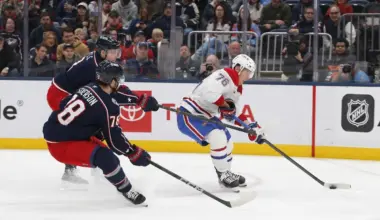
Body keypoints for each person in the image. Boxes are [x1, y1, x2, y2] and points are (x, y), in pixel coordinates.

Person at [46, 35, 159, 184]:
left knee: (95, 124)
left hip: (67, 91)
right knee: (88, 125)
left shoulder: (100, 61)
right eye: (113, 52)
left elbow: (112, 89)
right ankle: (74, 169)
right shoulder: (93, 68)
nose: (116, 55)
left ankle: (96, 163)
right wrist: (137, 99)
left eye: (117, 51)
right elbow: (110, 93)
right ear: (103, 52)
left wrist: (137, 99)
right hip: (60, 94)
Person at [43, 61, 150, 205]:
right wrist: (133, 153)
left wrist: (138, 100)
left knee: (100, 136)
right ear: (111, 81)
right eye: (118, 79)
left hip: (56, 129)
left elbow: (110, 97)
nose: (120, 83)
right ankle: (126, 189)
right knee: (106, 158)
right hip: (62, 144)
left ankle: (109, 176)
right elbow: (115, 141)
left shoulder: (89, 86)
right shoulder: (108, 107)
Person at [176, 54, 266, 189]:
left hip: (206, 115)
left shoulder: (236, 87)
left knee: (228, 141)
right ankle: (224, 174)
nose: (249, 77)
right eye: (248, 72)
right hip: (190, 113)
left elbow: (235, 113)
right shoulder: (224, 76)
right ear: (238, 68)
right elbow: (209, 93)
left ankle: (225, 173)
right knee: (218, 135)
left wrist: (252, 127)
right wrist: (224, 105)